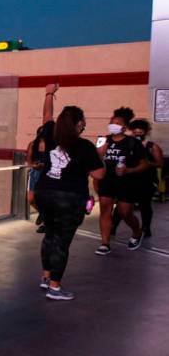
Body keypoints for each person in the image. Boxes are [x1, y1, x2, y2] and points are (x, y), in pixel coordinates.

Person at [33, 84, 104, 300]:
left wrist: (49, 93)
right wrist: (99, 155)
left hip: (44, 193)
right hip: (70, 198)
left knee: (50, 236)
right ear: (79, 124)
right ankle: (55, 287)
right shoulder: (84, 146)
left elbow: (46, 115)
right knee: (62, 241)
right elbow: (99, 175)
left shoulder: (51, 134)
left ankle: (46, 278)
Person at [94, 107, 149, 255]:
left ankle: (137, 232)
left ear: (124, 127)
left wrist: (128, 170)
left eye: (116, 123)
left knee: (125, 212)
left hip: (127, 182)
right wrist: (99, 154)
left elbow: (145, 164)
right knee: (105, 209)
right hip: (107, 180)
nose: (112, 124)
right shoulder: (103, 141)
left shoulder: (132, 143)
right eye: (111, 121)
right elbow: (95, 161)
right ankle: (105, 243)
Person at [129, 119, 164, 238]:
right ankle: (113, 226)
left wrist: (148, 163)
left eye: (140, 133)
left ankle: (145, 228)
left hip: (147, 180)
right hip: (131, 179)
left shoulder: (152, 147)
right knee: (124, 205)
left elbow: (160, 163)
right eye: (135, 132)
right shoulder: (128, 145)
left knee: (145, 205)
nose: (137, 135)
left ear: (145, 132)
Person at [26, 125, 48, 233]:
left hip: (46, 174)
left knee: (44, 199)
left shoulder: (51, 146)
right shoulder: (33, 145)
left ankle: (45, 222)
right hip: (35, 173)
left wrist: (44, 165)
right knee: (31, 199)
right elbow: (29, 160)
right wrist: (33, 166)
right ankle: (43, 214)